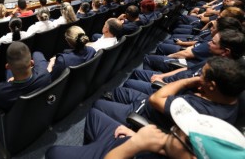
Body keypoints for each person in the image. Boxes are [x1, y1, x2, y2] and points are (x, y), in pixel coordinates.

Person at [46, 98, 245, 159]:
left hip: (122, 151)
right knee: (95, 115)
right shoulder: (178, 151)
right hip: (133, 141)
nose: (172, 129)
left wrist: (134, 144)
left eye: (178, 133)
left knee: (54, 152)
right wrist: (137, 136)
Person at [94, 56, 245, 130]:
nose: (199, 77)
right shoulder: (229, 98)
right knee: (119, 91)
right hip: (151, 102)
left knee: (96, 108)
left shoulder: (202, 111)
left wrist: (187, 82)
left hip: (143, 114)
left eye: (202, 75)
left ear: (212, 86)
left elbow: (155, 99)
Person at [0, 42, 51, 126]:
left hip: (14, 120)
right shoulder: (45, 74)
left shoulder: (0, 92)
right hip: (35, 113)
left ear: (7, 66)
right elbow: (37, 53)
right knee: (9, 73)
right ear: (32, 63)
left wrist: (11, 81)